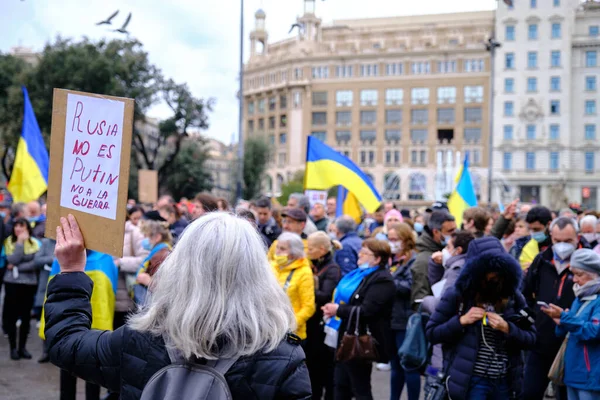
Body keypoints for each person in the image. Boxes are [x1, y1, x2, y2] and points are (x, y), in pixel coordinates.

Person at [44, 213, 312, 399]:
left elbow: (67, 344)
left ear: (180, 266)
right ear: (259, 272)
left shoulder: (143, 339)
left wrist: (70, 271)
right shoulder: (282, 358)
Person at [426, 237, 536, 400]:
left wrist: (508, 328)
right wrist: (461, 321)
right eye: (489, 274)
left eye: (499, 274)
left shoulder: (514, 297)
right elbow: (432, 333)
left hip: (505, 381)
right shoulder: (458, 295)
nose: (494, 278)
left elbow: (531, 339)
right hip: (471, 381)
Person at [522, 217, 590, 400]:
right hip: (541, 340)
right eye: (557, 241)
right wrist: (532, 318)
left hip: (573, 342)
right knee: (529, 392)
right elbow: (526, 293)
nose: (562, 246)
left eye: (568, 241)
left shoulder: (589, 263)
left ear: (578, 237)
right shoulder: (541, 260)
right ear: (550, 237)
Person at [322, 239, 395, 400]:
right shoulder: (360, 274)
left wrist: (338, 309)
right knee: (341, 384)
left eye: (365, 253)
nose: (359, 256)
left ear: (377, 259)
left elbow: (368, 310)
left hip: (360, 338)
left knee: (359, 386)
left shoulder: (382, 279)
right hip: (347, 334)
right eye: (360, 251)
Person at [542, 249, 600, 400]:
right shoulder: (580, 297)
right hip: (572, 373)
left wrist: (565, 317)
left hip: (590, 376)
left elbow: (593, 331)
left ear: (595, 275)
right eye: (573, 274)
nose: (574, 280)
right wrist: (561, 322)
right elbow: (568, 330)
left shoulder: (597, 300)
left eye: (579, 275)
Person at [421, 231, 475, 378]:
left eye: (448, 246)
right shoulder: (453, 266)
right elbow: (437, 286)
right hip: (447, 329)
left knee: (436, 377)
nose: (444, 249)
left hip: (447, 333)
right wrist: (435, 265)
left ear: (458, 250)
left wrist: (425, 301)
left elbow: (441, 304)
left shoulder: (457, 268)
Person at [305, 231, 341, 400]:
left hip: (321, 327)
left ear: (321, 249)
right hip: (311, 325)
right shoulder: (312, 264)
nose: (307, 251)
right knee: (312, 368)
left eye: (310, 248)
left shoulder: (332, 269)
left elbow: (325, 296)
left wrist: (306, 286)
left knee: (323, 368)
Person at [387, 223, 420, 400]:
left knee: (408, 364)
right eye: (389, 239)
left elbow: (409, 288)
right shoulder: (393, 260)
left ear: (405, 239)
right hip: (392, 319)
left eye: (395, 239)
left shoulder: (413, 260)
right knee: (395, 366)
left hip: (405, 319)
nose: (391, 243)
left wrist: (389, 280)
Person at [3, 218, 41, 360]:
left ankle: (22, 348)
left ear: (27, 228)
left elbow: (35, 263)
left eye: (21, 226)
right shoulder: (9, 242)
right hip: (12, 283)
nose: (18, 228)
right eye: (16, 226)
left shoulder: (35, 243)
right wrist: (19, 243)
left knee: (25, 317)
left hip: (29, 284)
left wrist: (18, 265)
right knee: (12, 316)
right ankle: (13, 348)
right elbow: (11, 259)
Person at [271, 232, 315, 341]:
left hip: (292, 334)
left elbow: (309, 307)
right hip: (271, 330)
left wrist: (290, 324)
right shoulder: (272, 266)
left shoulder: (304, 272)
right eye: (277, 247)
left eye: (283, 249)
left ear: (294, 253)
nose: (278, 251)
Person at [410, 211, 456, 307]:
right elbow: (419, 299)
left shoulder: (448, 251)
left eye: (455, 230)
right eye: (450, 231)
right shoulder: (423, 259)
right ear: (436, 232)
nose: (454, 235)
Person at [114, 208, 149, 328]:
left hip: (126, 298)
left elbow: (144, 260)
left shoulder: (134, 232)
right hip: (108, 297)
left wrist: (120, 263)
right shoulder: (102, 234)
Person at [134, 221, 173, 306]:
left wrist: (149, 282)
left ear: (157, 237)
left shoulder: (160, 255)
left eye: (146, 236)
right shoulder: (161, 251)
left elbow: (167, 286)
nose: (144, 240)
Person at [33, 237, 56, 363]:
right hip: (47, 285)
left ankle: (56, 352)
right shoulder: (47, 243)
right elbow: (37, 260)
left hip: (64, 284)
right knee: (46, 318)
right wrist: (53, 259)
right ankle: (45, 351)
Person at [519, 206, 554, 270]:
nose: (533, 233)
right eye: (530, 229)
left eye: (536, 229)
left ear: (549, 224)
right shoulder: (528, 247)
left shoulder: (560, 243)